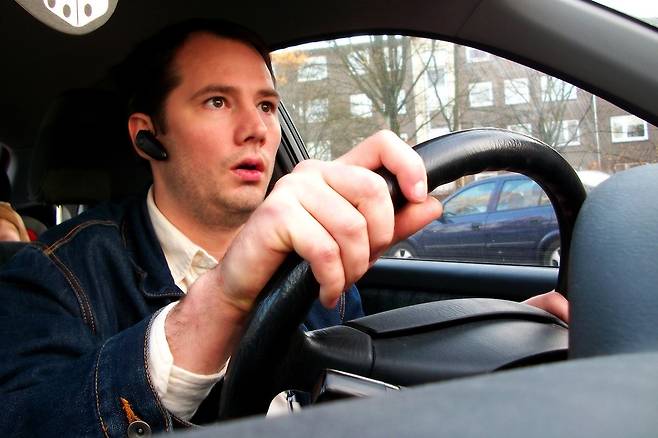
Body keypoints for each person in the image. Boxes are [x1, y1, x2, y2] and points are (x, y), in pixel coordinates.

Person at [0, 19, 567, 437]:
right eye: (217, 102)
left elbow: (351, 388)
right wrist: (221, 301)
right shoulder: (52, 275)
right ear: (148, 135)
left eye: (268, 106)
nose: (256, 129)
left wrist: (498, 341)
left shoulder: (316, 245)